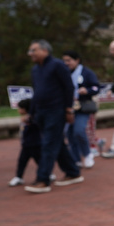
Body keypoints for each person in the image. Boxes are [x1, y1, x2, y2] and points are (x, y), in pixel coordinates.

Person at [26, 40, 82, 193]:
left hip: (56, 111)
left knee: (48, 145)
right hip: (41, 112)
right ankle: (73, 172)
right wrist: (31, 113)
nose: (30, 53)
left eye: (33, 50)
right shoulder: (35, 70)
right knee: (57, 143)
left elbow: (68, 87)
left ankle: (42, 179)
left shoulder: (57, 65)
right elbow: (36, 93)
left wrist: (69, 109)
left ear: (45, 50)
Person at [62, 51, 100, 169]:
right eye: (65, 60)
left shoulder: (86, 72)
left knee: (79, 130)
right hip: (68, 107)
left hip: (82, 107)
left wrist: (87, 90)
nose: (66, 63)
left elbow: (96, 87)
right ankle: (76, 158)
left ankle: (87, 154)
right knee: (70, 133)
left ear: (77, 60)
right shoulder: (64, 72)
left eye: (69, 60)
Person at [9, 98, 41, 187]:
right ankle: (19, 177)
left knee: (39, 161)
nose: (19, 110)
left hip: (35, 145)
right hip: (26, 145)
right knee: (22, 161)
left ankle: (46, 174)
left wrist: (28, 121)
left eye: (20, 108)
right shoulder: (25, 118)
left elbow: (36, 125)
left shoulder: (33, 118)